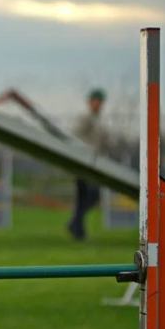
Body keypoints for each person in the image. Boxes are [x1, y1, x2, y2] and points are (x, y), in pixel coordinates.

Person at [67, 88, 110, 240]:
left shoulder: (98, 120)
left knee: (84, 199)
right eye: (96, 101)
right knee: (91, 196)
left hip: (94, 164)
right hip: (83, 164)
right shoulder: (86, 119)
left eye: (100, 102)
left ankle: (77, 229)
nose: (98, 104)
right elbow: (75, 137)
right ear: (90, 102)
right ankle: (75, 226)